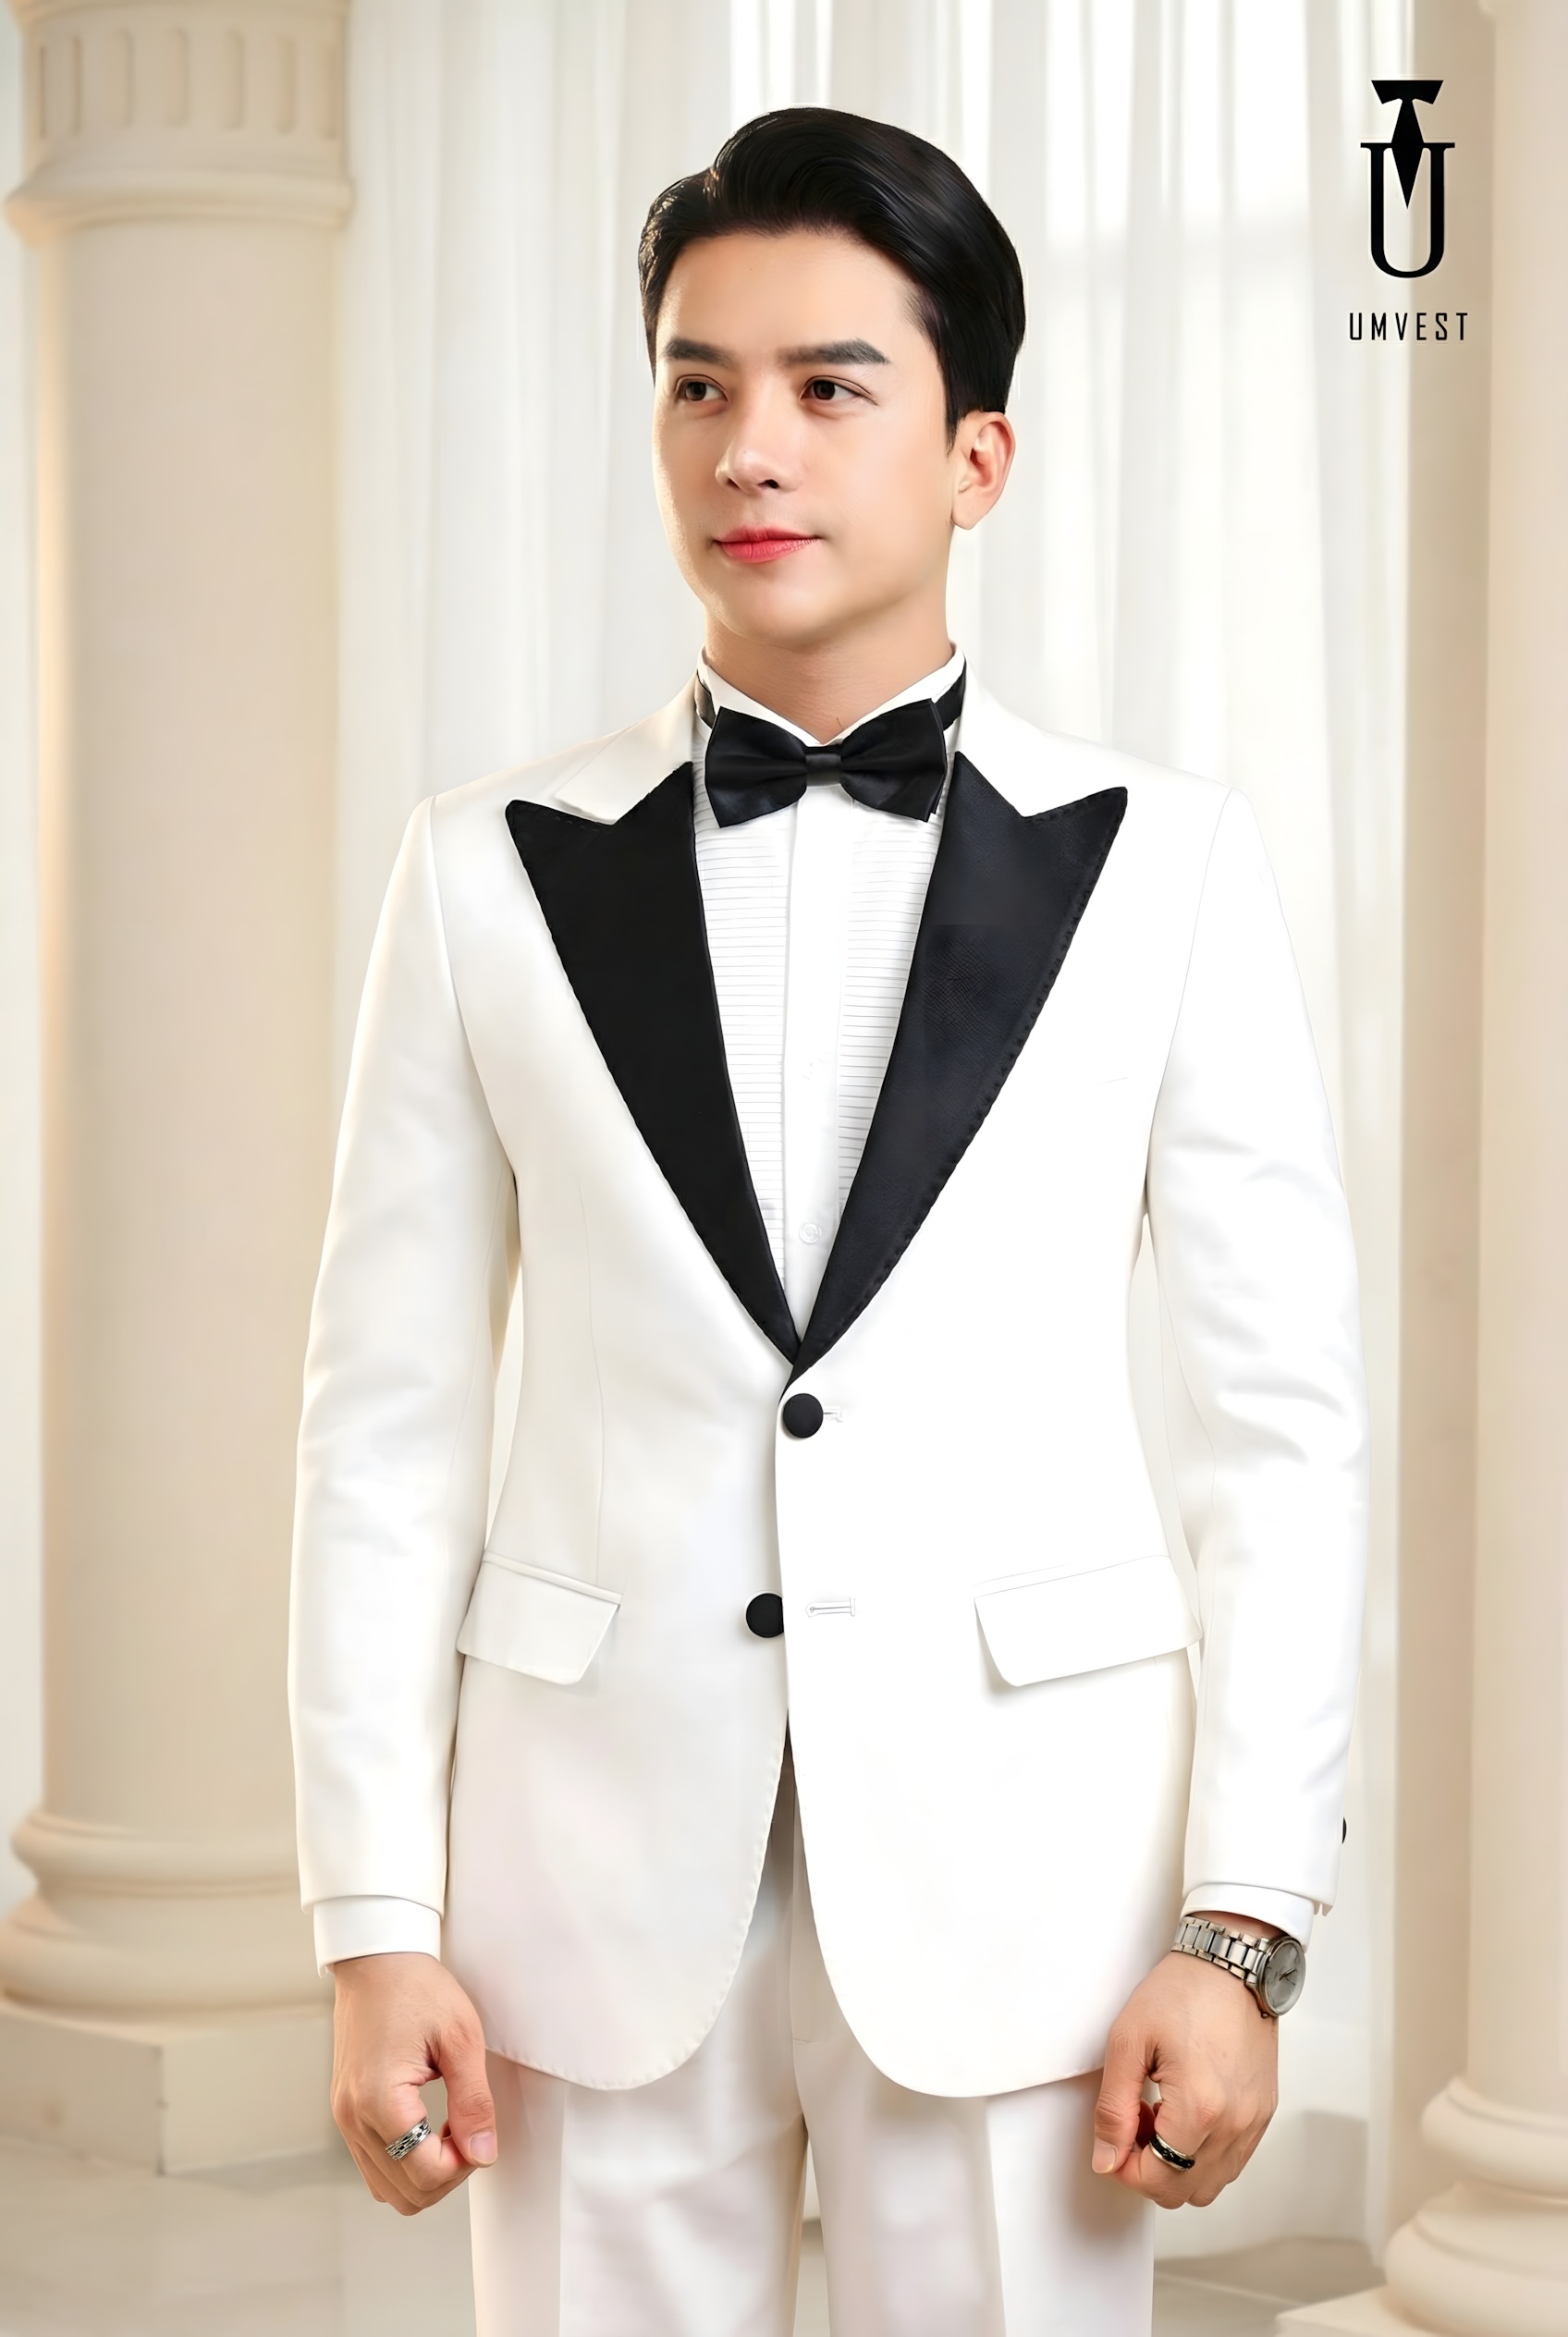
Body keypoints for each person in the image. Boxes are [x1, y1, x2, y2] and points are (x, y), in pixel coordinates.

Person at [289, 107, 1367, 2337]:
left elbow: (1277, 1435)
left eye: (823, 385)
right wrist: (371, 1912)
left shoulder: (1167, 868)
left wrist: (1242, 1919)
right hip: (581, 1889)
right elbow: (380, 1433)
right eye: (696, 384)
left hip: (1032, 1880)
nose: (746, 446)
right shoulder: (479, 874)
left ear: (975, 458)